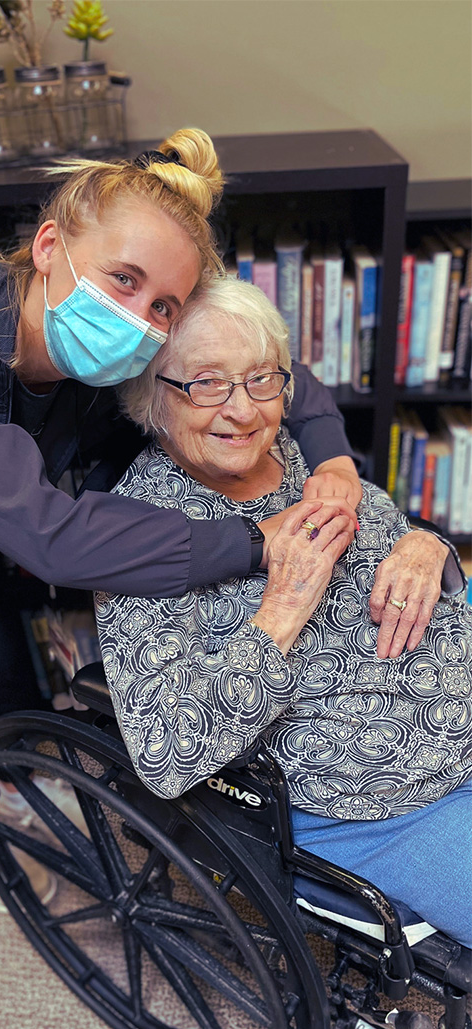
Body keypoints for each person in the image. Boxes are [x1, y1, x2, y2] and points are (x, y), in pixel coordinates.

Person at [0, 129, 362, 913]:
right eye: (123, 279)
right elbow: (47, 534)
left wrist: (332, 459)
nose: (140, 317)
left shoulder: (107, 352)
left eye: (164, 305)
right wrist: (256, 542)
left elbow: (255, 354)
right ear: (49, 245)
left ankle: (5, 775)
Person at [95, 275, 472, 947]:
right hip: (387, 808)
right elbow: (164, 754)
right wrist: (282, 611)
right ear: (151, 398)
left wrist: (425, 545)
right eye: (207, 383)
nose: (244, 412)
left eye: (261, 380)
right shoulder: (136, 536)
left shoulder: (301, 458)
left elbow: (399, 532)